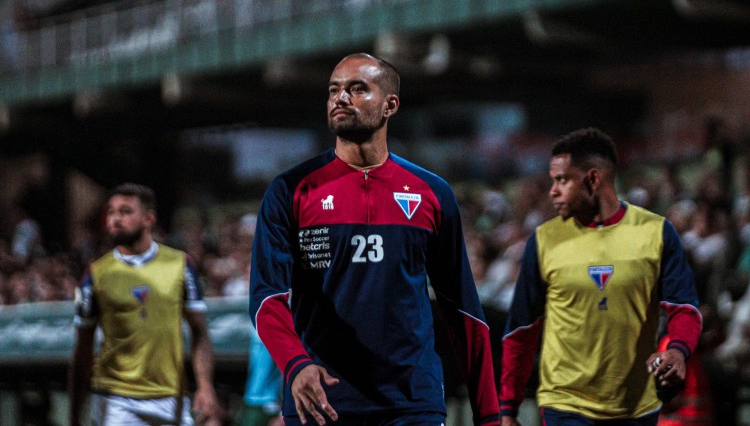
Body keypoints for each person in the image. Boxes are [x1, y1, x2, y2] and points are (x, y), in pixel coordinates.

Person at [249, 53, 499, 425]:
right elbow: (266, 297)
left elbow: (462, 309)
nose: (341, 98)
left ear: (390, 105)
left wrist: (490, 416)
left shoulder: (432, 192)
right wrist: (296, 364)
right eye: (334, 90)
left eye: (357, 89)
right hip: (321, 401)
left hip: (412, 403)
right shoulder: (290, 190)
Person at [499, 128, 703, 426]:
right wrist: (508, 409)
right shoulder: (544, 241)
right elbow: (521, 329)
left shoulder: (656, 233)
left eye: (562, 180)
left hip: (637, 406)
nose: (552, 191)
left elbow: (684, 307)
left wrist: (678, 350)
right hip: (565, 404)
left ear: (594, 179)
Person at [68, 183, 222, 426]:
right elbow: (83, 349)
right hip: (116, 399)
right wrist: (75, 414)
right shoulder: (95, 275)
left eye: (126, 211)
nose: (115, 219)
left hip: (172, 397)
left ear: (149, 218)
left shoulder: (181, 265)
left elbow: (199, 332)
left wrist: (205, 386)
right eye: (111, 212)